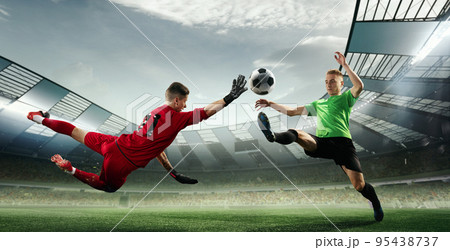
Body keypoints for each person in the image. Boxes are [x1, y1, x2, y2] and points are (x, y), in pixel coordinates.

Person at [27, 75, 247, 193]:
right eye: (184, 103)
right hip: (123, 161)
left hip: (114, 143)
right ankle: (71, 169)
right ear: (177, 100)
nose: (185, 107)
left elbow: (156, 147)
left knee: (76, 132)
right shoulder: (178, 117)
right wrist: (230, 97)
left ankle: (40, 118)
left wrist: (172, 172)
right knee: (109, 187)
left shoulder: (154, 112)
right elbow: (207, 112)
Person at [255, 52, 383, 221]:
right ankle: (273, 136)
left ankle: (375, 202)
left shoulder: (346, 98)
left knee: (359, 185)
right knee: (297, 133)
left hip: (343, 145)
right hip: (322, 142)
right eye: (326, 82)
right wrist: (271, 103)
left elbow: (359, 86)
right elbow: (293, 112)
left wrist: (345, 65)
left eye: (332, 81)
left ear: (341, 83)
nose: (328, 85)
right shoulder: (319, 104)